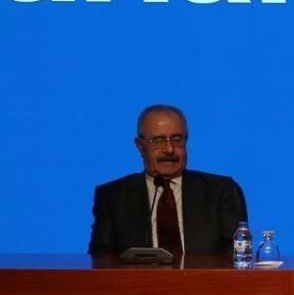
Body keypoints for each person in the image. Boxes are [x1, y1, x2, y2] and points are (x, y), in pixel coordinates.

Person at [89, 105, 246, 259]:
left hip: (202, 277)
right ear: (140, 147)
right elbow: (100, 258)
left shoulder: (221, 191)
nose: (169, 149)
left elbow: (237, 254)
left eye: (177, 139)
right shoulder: (112, 197)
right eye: (158, 141)